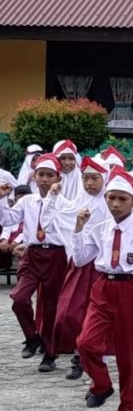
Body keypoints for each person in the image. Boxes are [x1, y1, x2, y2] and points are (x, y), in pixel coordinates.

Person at [73, 167, 133, 411]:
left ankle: (128, 410)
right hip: (103, 288)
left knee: (129, 354)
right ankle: (101, 385)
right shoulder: (99, 228)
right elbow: (80, 259)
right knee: (85, 342)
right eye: (111, 198)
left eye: (123, 199)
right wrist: (78, 230)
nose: (115, 204)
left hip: (131, 291)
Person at [0, 154, 70, 371]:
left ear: (58, 178)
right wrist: (2, 198)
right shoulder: (27, 201)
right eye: (41, 175)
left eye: (50, 175)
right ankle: (32, 337)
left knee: (50, 307)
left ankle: (50, 354)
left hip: (55, 255)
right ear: (34, 176)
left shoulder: (65, 204)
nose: (45, 180)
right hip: (32, 254)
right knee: (19, 298)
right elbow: (8, 219)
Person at [53, 156, 110, 380]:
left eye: (95, 178)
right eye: (85, 178)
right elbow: (54, 221)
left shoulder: (112, 205)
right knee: (69, 313)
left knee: (98, 315)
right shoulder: (77, 203)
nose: (89, 183)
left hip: (103, 267)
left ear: (104, 179)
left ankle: (93, 358)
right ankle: (78, 351)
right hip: (80, 264)